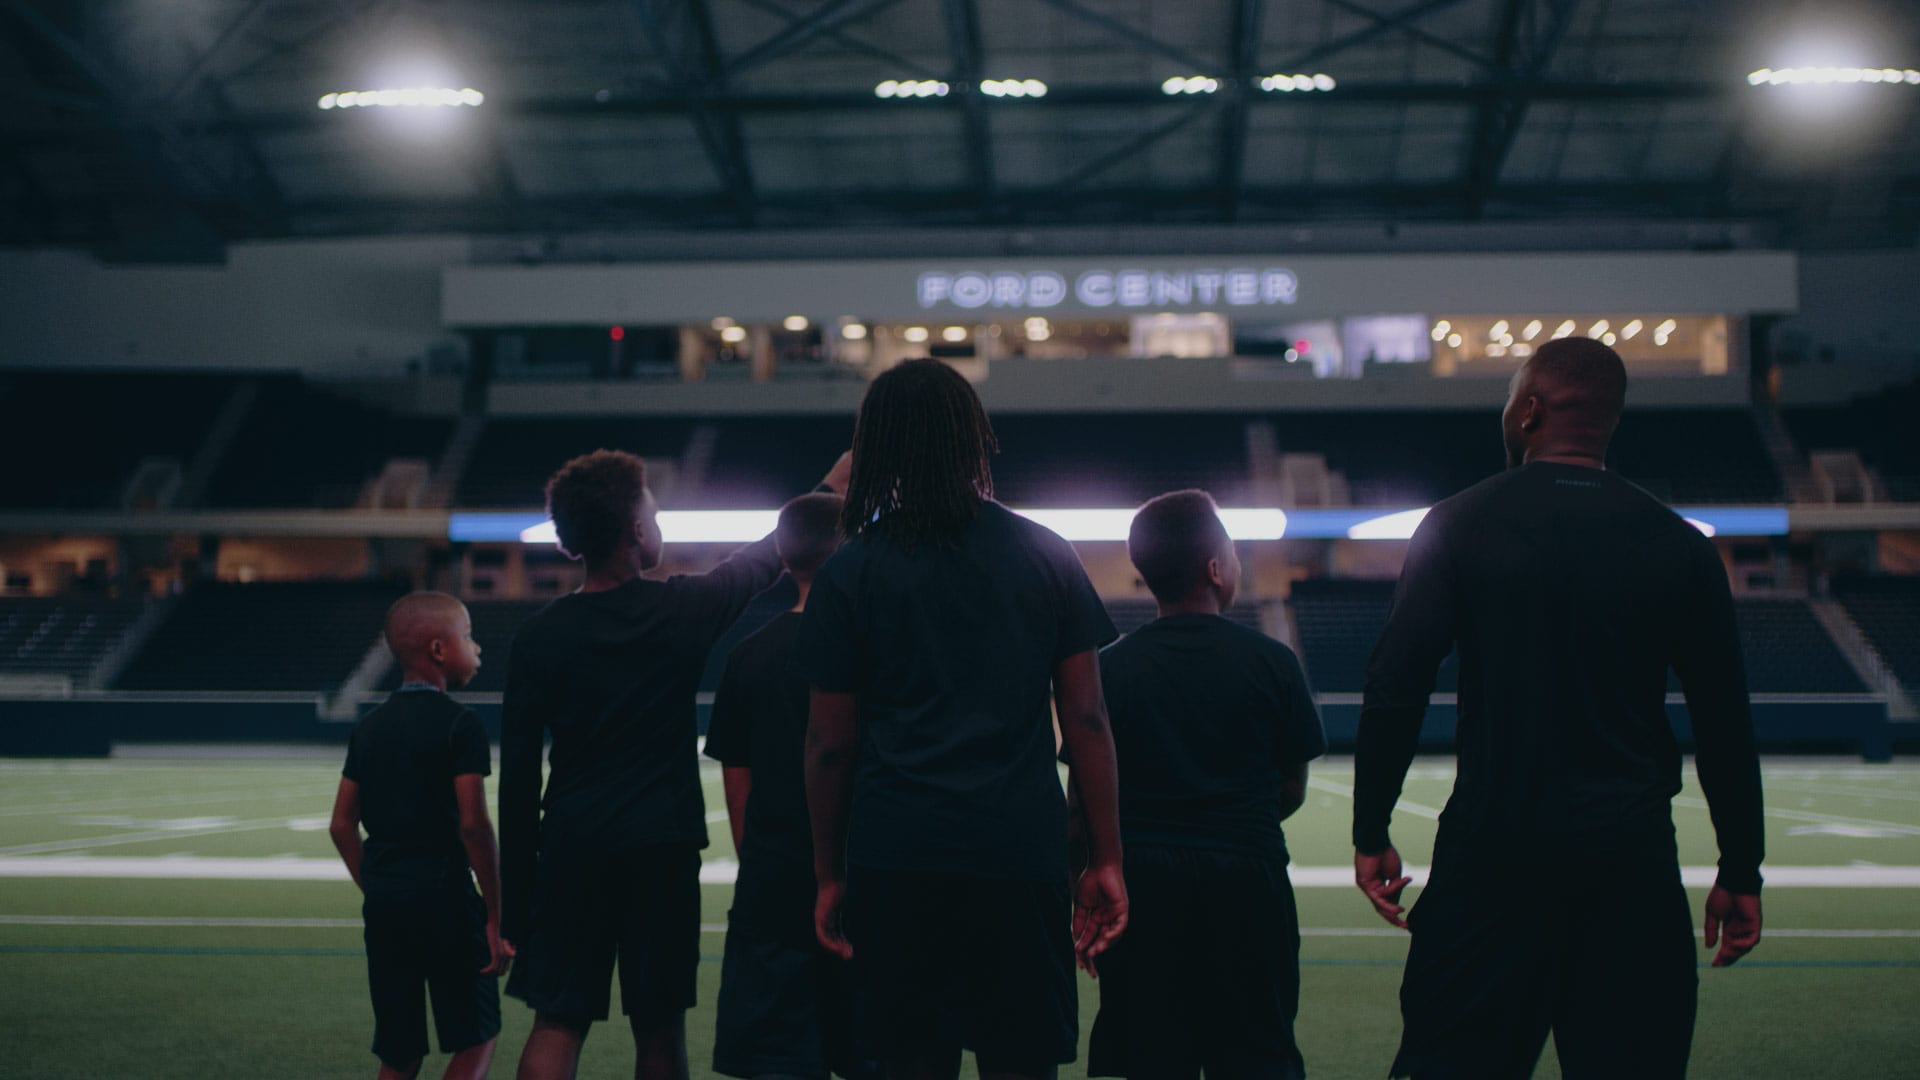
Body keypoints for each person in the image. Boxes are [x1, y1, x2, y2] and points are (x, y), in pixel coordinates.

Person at [1352, 337, 1765, 1079]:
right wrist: (1742, 868)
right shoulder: (1681, 547)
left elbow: (1396, 683)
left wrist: (1371, 825)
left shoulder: (1458, 523)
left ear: (1531, 409)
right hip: (1630, 863)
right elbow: (1724, 719)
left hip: (1494, 855)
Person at [797, 358, 1129, 1080]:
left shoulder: (851, 571)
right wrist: (1104, 857)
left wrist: (828, 872)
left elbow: (829, 745)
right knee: (1022, 1063)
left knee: (912, 1063)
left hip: (896, 852)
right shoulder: (1045, 553)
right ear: (974, 436)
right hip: (1017, 852)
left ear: (875, 446)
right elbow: (1088, 721)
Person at [499, 448, 850, 1080]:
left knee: (557, 1020)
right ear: (636, 531)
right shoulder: (678, 612)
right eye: (654, 512)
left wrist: (514, 905)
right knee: (659, 1027)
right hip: (660, 849)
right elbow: (762, 560)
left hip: (573, 846)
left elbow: (519, 778)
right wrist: (828, 483)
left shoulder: (539, 635)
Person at [1082, 490, 1325, 1080]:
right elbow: (1290, 786)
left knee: (1149, 1054)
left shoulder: (1110, 668)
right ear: (1217, 570)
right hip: (1247, 878)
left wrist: (1083, 886)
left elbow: (1085, 800)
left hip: (1143, 885)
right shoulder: (1273, 661)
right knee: (1257, 1052)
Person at [706, 492, 880, 1080]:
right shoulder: (879, 651)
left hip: (774, 879)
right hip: (867, 873)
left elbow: (738, 783)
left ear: (782, 558)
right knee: (873, 1051)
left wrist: (764, 859)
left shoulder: (747, 656)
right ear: (853, 552)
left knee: (777, 1059)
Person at [329, 591, 510, 1080]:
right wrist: (495, 914)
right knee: (476, 1038)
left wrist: (378, 884)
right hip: (446, 898)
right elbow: (473, 824)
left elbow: (341, 823)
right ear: (438, 650)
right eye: (468, 637)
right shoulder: (461, 724)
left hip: (387, 905)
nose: (477, 648)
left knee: (400, 1051)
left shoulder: (369, 728)